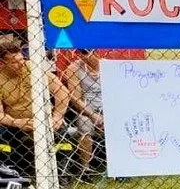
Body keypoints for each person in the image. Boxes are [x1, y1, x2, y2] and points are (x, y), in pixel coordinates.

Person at [0, 37, 69, 176]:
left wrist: (57, 116)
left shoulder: (32, 67)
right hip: (14, 123)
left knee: (62, 134)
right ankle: (14, 174)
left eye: (21, 59)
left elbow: (62, 91)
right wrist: (17, 122)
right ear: (1, 63)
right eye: (14, 62)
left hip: (45, 117)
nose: (20, 64)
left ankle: (61, 173)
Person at [64, 48, 104, 178]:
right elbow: (76, 99)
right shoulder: (74, 69)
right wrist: (93, 115)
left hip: (108, 108)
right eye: (80, 52)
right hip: (88, 111)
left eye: (86, 52)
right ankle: (85, 169)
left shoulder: (108, 65)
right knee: (84, 125)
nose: (83, 56)